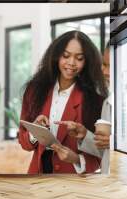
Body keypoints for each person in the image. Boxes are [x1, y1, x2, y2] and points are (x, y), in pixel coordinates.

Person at [18, 31, 108, 174]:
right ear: (56, 56)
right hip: (38, 175)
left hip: (72, 182)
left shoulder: (95, 100)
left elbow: (102, 154)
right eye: (65, 56)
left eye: (79, 58)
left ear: (87, 62)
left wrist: (76, 159)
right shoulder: (35, 90)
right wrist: (34, 131)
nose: (71, 63)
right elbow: (24, 143)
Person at [55, 43, 112, 174]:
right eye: (104, 64)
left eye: (111, 66)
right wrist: (85, 134)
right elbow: (103, 150)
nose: (105, 72)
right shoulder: (106, 103)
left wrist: (115, 142)